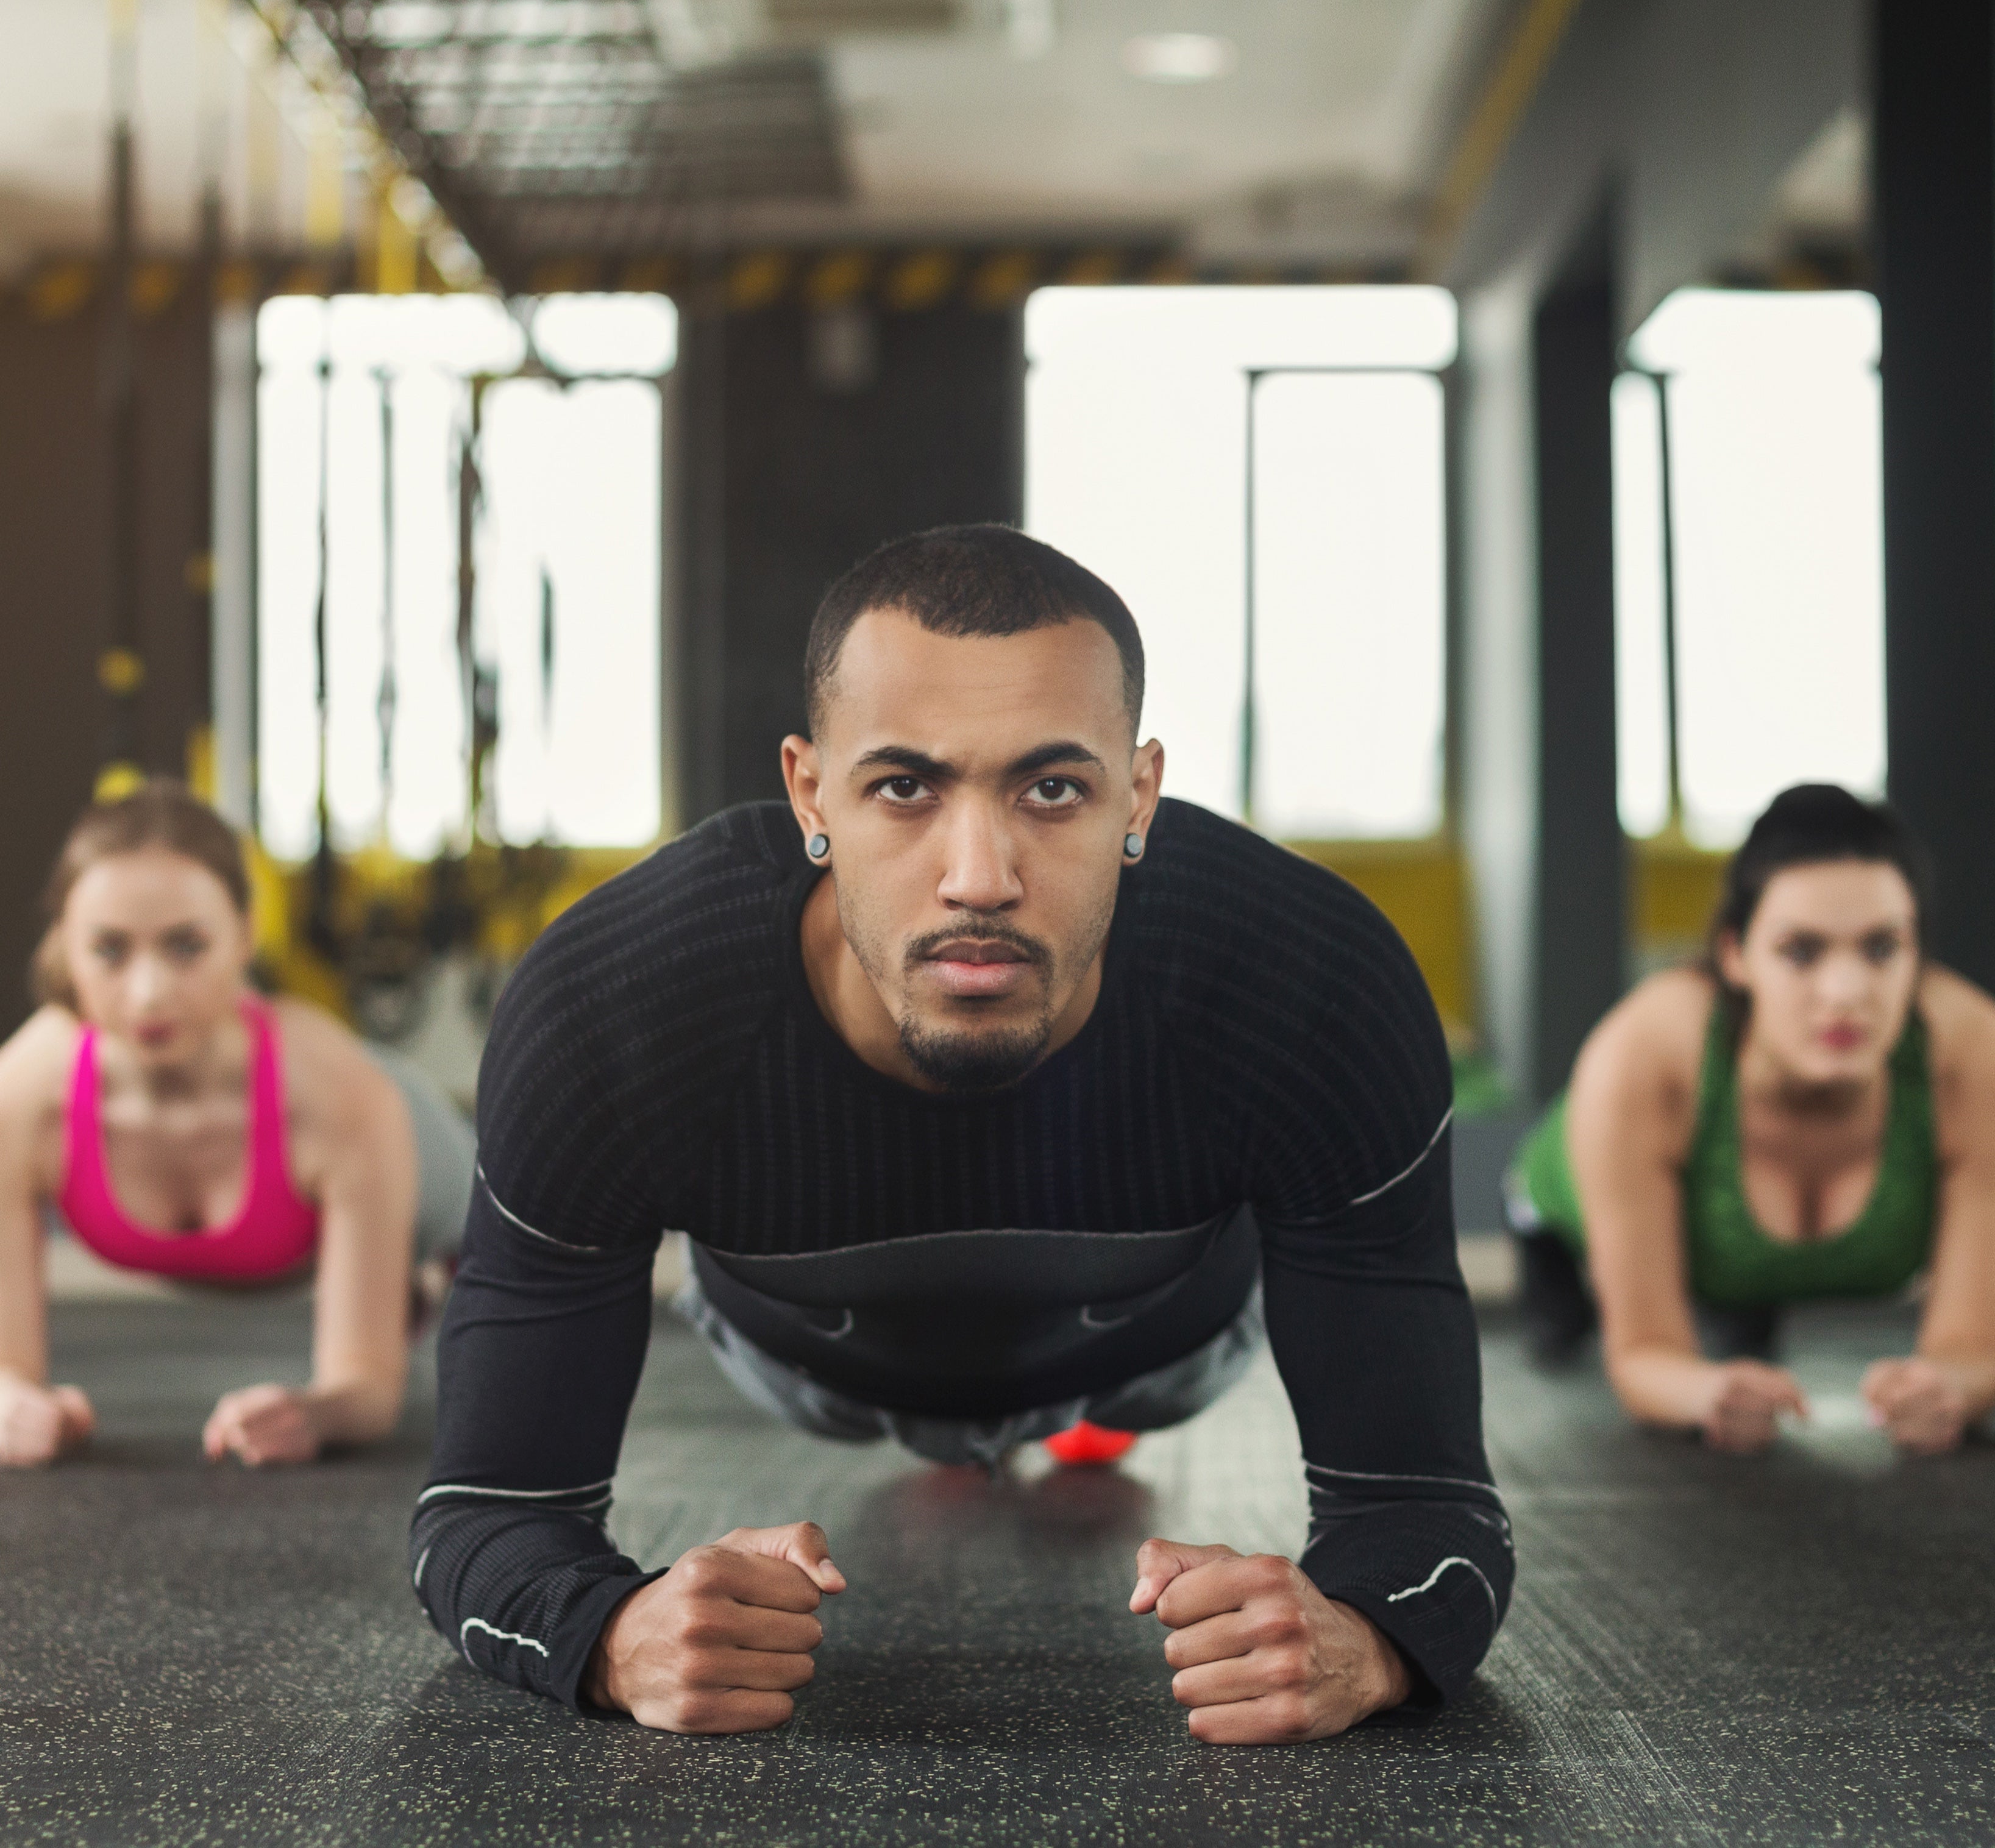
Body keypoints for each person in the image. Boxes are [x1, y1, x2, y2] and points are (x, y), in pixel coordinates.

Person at [413, 525, 1511, 1744]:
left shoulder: (1310, 981)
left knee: (1137, 1385)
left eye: (1053, 788)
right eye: (903, 787)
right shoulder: (612, 1004)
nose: (978, 875)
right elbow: (482, 1512)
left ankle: (1080, 1420)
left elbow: (1427, 1507)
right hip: (810, 1357)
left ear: (1137, 797)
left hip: (1152, 1338)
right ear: (807, 792)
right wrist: (613, 1636)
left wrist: (1364, 1641)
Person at [0, 780, 475, 1468]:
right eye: (109, 950)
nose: (149, 992)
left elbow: (367, 1392)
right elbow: (6, 1374)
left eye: (186, 946)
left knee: (521, 1383)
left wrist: (317, 1413)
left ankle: (407, 1277)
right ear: (65, 947)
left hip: (437, 1175)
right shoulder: (21, 1096)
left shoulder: (343, 1097)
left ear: (245, 935)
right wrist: (15, 1409)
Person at [1509, 783, 1995, 1455]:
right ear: (1735, 954)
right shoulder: (1642, 1055)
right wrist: (1701, 1393)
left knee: (1737, 1335)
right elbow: (1646, 1353)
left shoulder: (1971, 1056)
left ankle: (1743, 1306)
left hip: (1734, 1258)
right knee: (1562, 1338)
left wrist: (1946, 1387)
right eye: (1802, 951)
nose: (1847, 992)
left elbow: (1971, 1351)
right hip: (1568, 1205)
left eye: (1882, 948)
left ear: (1917, 955)